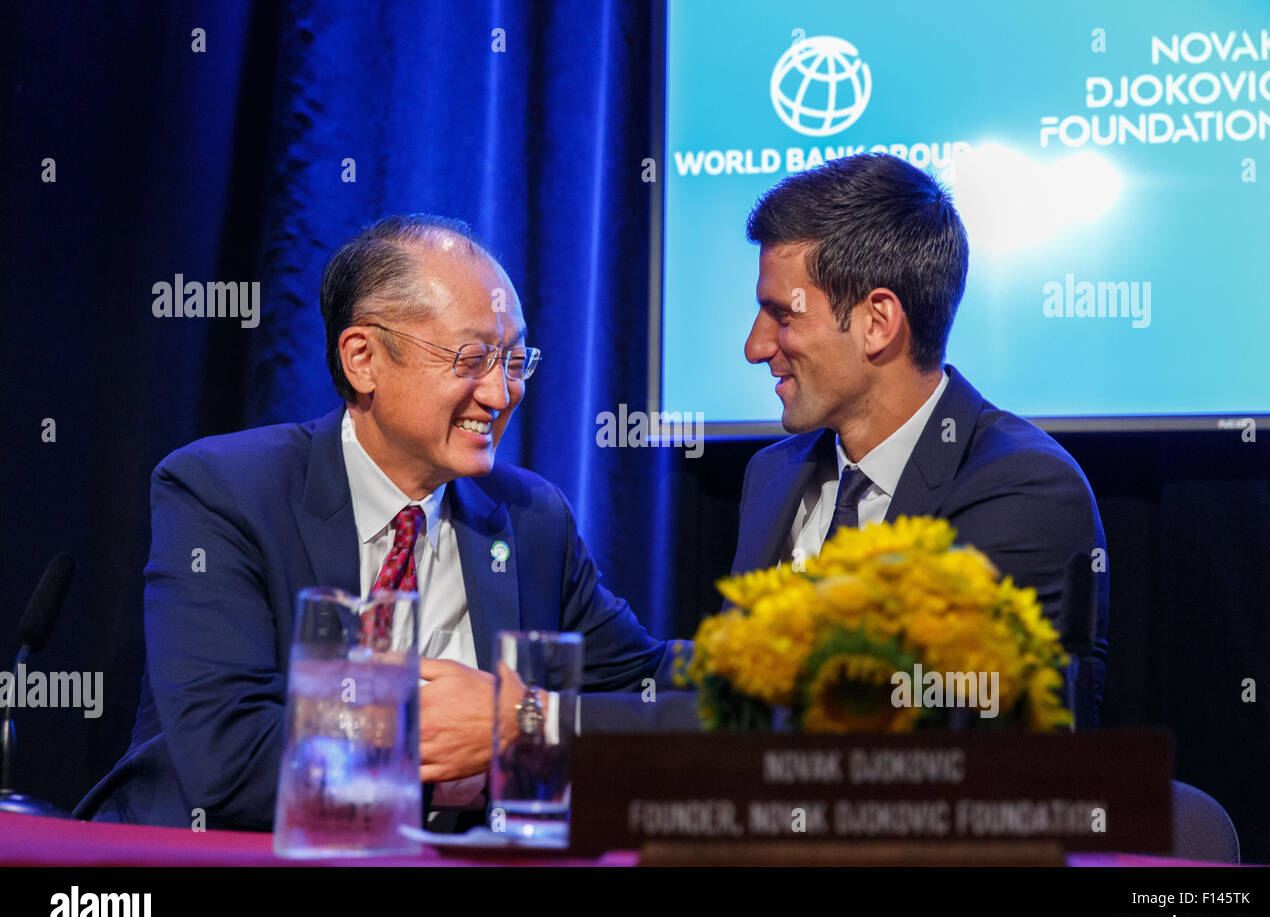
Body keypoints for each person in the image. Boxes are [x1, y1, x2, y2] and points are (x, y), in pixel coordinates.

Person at [76, 214, 676, 831]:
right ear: (362, 358)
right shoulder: (223, 491)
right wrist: (477, 750)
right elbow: (234, 757)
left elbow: (646, 681)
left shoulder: (530, 520)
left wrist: (769, 667)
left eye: (515, 359)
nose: (500, 394)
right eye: (470, 358)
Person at [730, 153, 1108, 729]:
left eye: (782, 315)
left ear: (878, 322)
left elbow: (927, 717)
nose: (757, 347)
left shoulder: (1025, 490)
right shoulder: (772, 475)